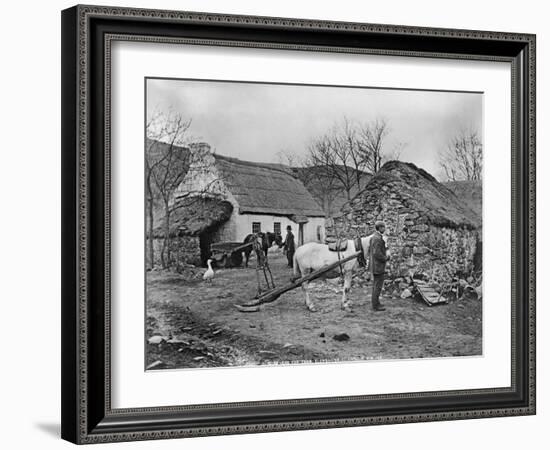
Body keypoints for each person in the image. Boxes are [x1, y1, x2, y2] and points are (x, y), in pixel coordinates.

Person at [369, 221, 390, 311]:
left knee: (376, 285)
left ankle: (376, 303)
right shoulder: (377, 238)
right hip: (378, 266)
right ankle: (375, 306)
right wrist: (385, 258)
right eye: (383, 227)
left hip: (375, 265)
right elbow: (377, 253)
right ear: (380, 228)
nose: (384, 229)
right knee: (377, 286)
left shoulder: (375, 237)